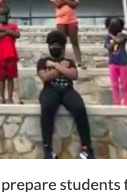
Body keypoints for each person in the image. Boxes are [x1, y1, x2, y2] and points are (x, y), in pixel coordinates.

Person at [36, 31, 94, 159]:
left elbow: (73, 75)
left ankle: (87, 148)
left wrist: (55, 66)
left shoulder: (69, 61)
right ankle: (47, 148)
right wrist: (62, 68)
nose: (54, 47)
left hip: (67, 90)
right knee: (47, 107)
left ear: (63, 47)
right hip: (50, 90)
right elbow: (45, 78)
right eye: (52, 45)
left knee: (79, 108)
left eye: (57, 45)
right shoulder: (43, 61)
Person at [0, 5, 21, 104]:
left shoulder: (13, 26)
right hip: (0, 56)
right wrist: (8, 33)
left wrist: (5, 30)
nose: (2, 16)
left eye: (5, 14)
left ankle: (10, 98)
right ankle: (1, 97)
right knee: (1, 78)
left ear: (8, 16)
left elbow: (17, 34)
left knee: (10, 78)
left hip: (11, 55)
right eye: (1, 14)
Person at [50, 0, 83, 68]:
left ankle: (79, 61)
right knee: (62, 42)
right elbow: (58, 5)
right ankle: (61, 60)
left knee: (74, 41)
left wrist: (64, 0)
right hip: (61, 21)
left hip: (72, 20)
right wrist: (68, 1)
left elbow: (75, 5)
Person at [104, 16, 127, 106]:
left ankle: (126, 103)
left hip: (122, 62)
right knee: (114, 85)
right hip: (112, 63)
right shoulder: (107, 37)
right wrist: (111, 37)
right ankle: (117, 103)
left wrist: (112, 37)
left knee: (124, 85)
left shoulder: (123, 35)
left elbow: (120, 40)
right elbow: (109, 48)